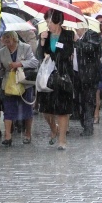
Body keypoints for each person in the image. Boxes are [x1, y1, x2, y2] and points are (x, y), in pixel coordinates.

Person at [36, 9, 75, 149]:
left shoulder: (69, 35)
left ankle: (62, 140)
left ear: (58, 21)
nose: (48, 24)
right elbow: (39, 55)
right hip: (47, 77)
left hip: (63, 76)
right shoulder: (45, 36)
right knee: (46, 110)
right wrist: (42, 41)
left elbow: (66, 53)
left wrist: (52, 54)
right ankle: (54, 128)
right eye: (46, 21)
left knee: (63, 110)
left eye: (50, 21)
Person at [0, 31, 39, 145]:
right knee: (8, 109)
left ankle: (28, 133)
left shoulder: (25, 47)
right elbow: (0, 67)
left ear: (15, 38)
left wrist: (20, 63)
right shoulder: (2, 52)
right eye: (4, 37)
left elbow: (34, 62)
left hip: (24, 83)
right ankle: (7, 136)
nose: (6, 40)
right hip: (9, 84)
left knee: (27, 110)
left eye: (8, 37)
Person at [72, 24, 101, 136]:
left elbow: (90, 49)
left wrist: (77, 40)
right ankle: (84, 123)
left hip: (89, 75)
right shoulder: (72, 37)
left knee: (88, 101)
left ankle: (88, 127)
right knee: (79, 101)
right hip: (76, 74)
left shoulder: (92, 34)